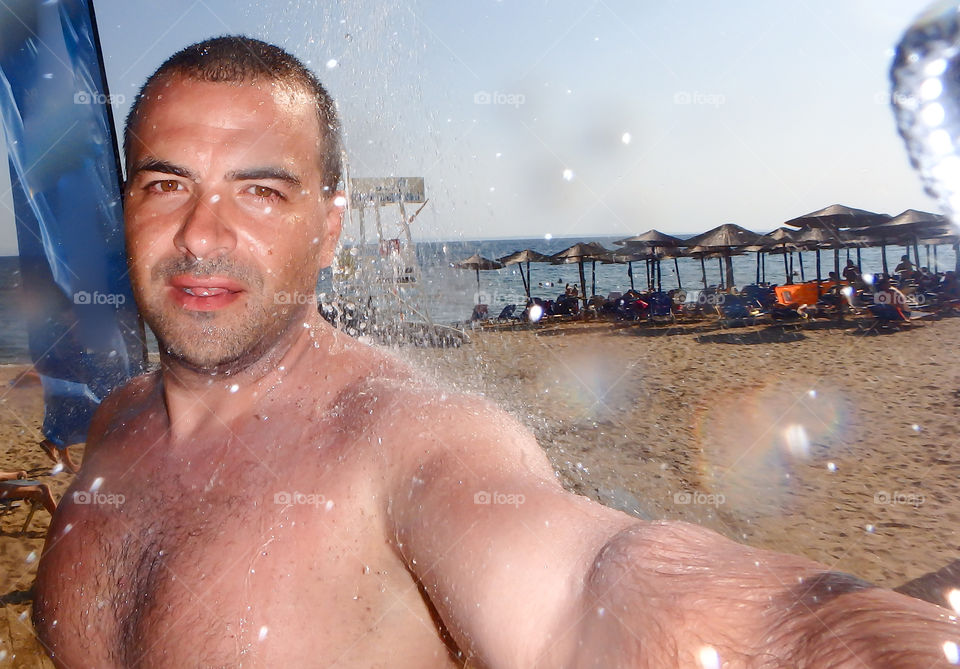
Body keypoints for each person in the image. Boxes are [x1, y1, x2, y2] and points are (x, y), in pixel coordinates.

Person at [34, 36, 959, 667]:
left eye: (262, 192)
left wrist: (849, 637)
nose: (203, 232)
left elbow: (590, 587)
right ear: (126, 207)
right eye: (167, 183)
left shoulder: (405, 439)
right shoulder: (116, 423)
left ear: (330, 227)